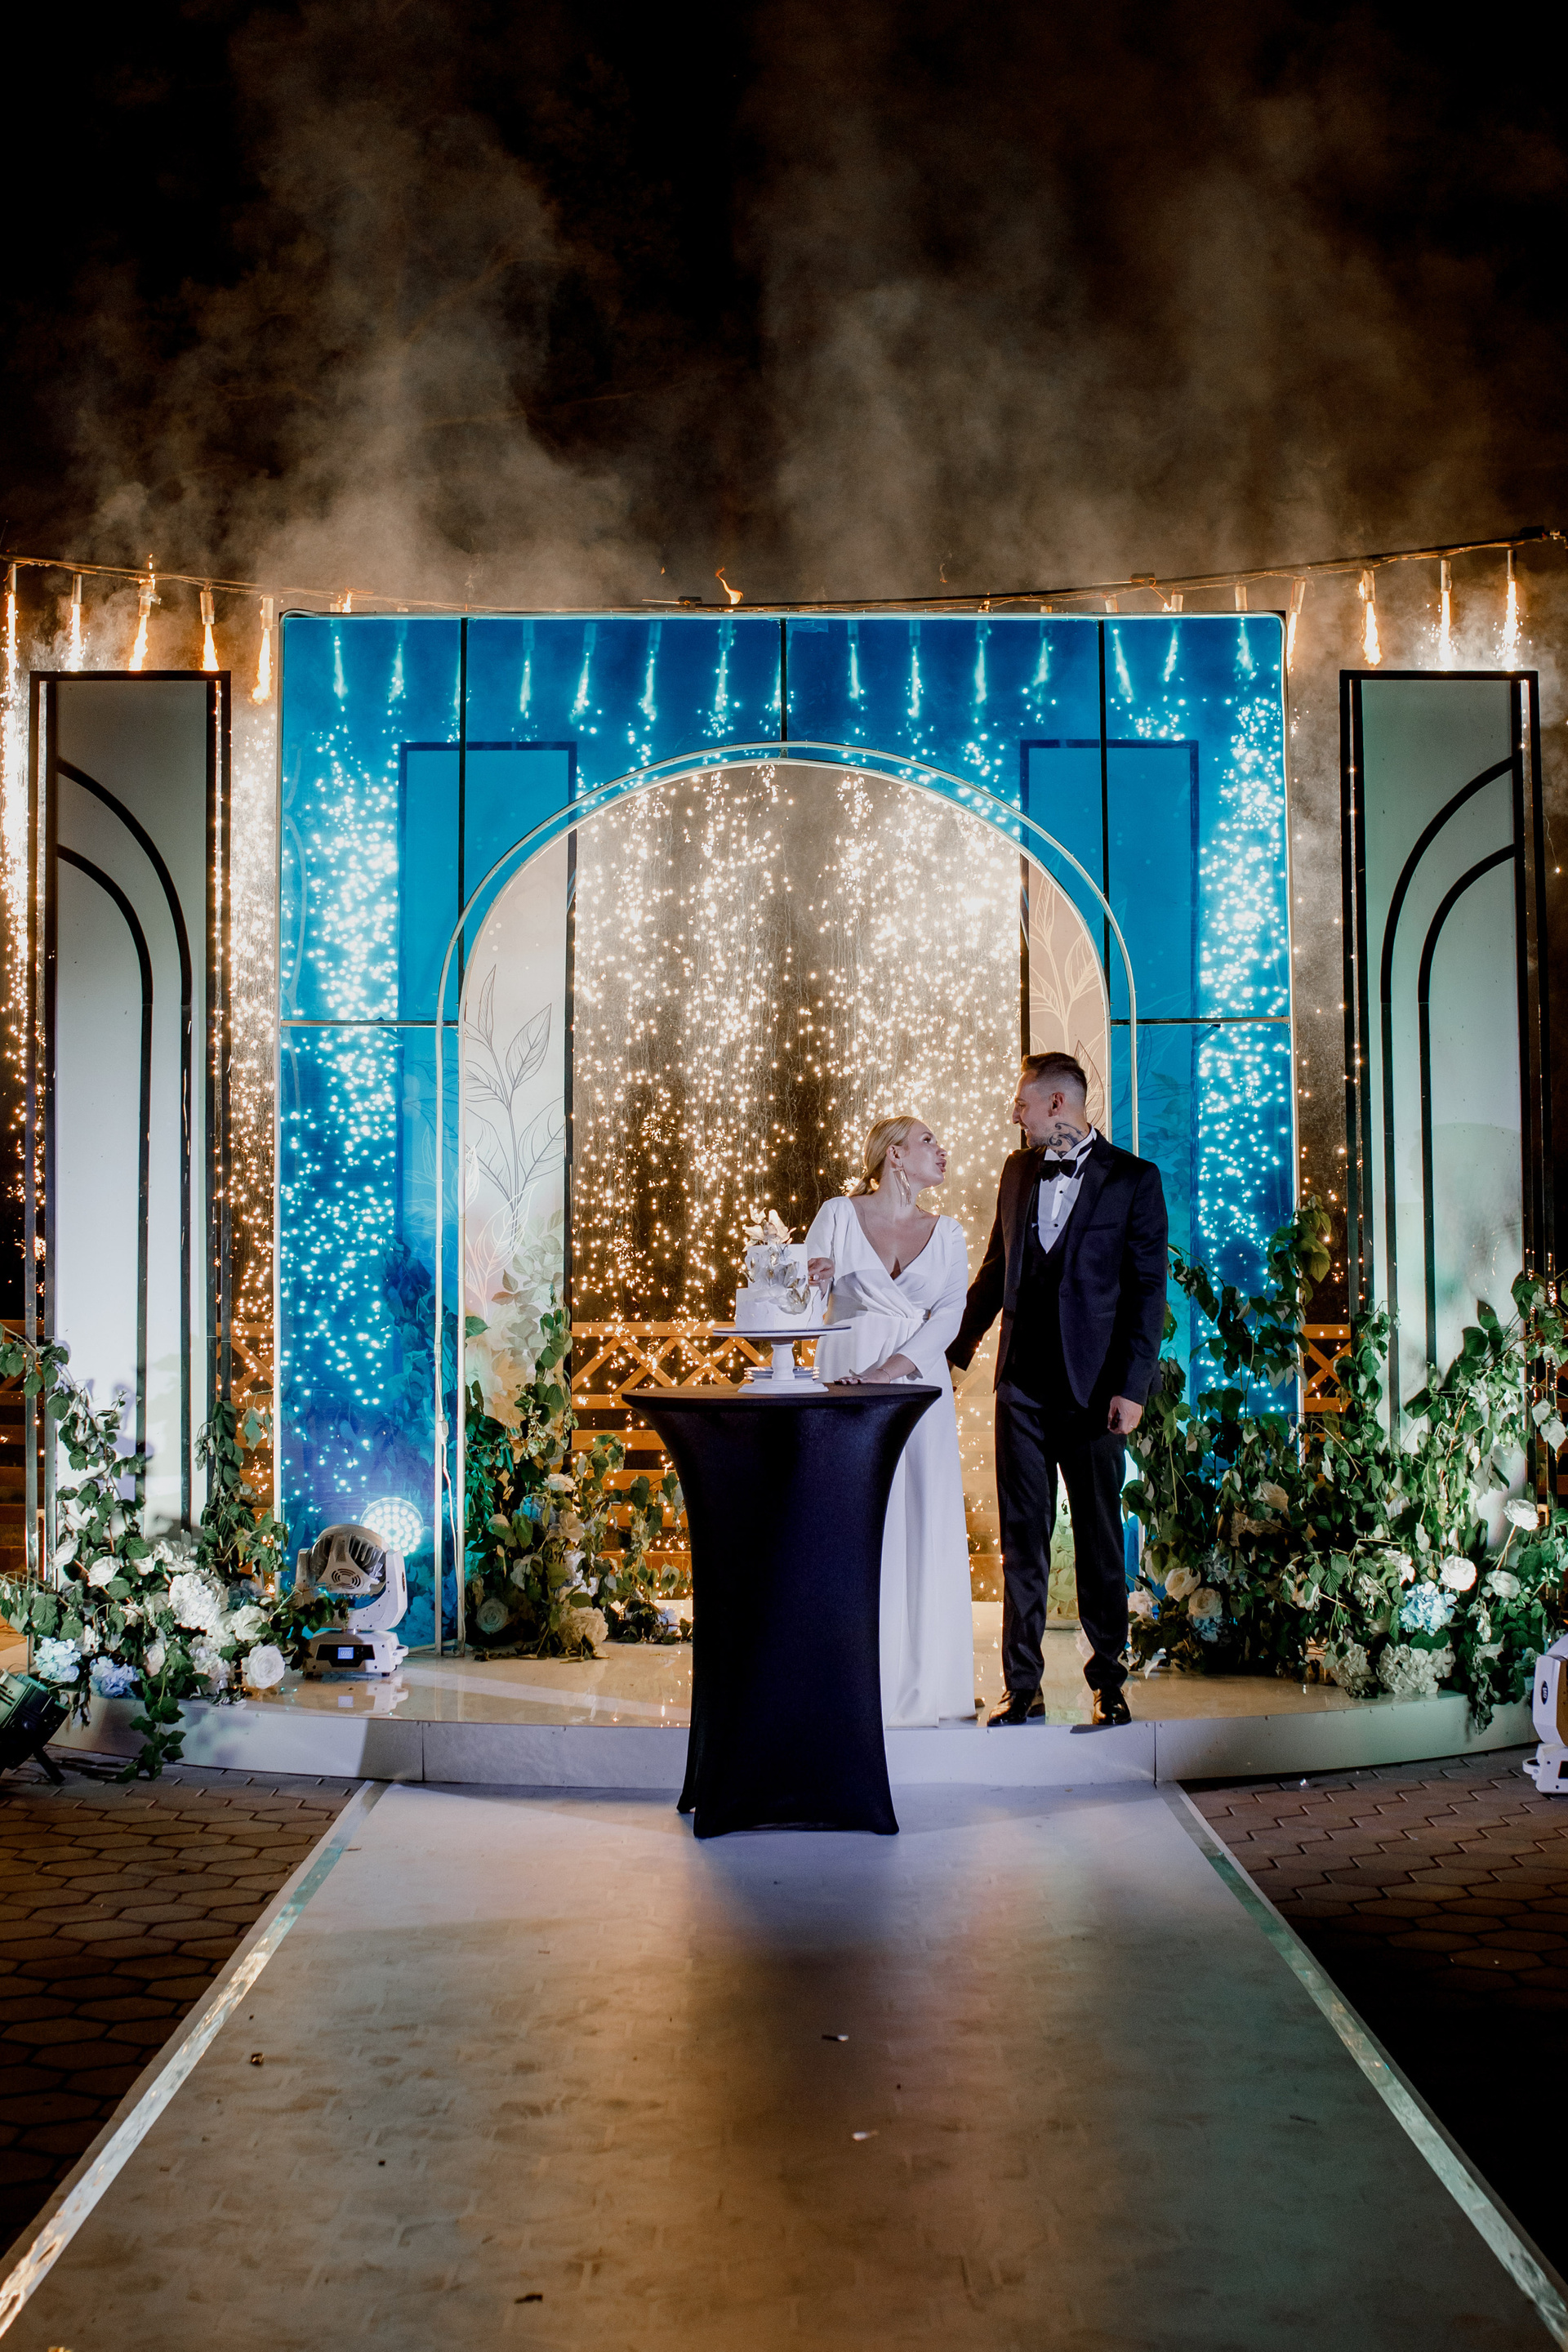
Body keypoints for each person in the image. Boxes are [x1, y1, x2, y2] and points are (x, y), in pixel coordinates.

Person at [947, 1052, 1168, 1730]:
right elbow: (994, 1272)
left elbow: (1147, 1293)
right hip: (1020, 1389)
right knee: (1023, 1540)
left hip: (1094, 1394)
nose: (1014, 1114)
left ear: (1056, 1104)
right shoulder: (1017, 1171)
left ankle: (1109, 1682)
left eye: (1022, 1102)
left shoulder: (1133, 1179)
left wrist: (1132, 1388)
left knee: (1100, 1539)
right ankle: (1023, 1687)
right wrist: (954, 1353)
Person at [805, 1117, 975, 1726]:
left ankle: (926, 1682)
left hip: (916, 1382)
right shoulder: (838, 1214)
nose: (942, 1149)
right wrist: (811, 1281)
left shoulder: (948, 1232)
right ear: (894, 1155)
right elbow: (802, 1305)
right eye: (929, 1140)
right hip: (846, 1370)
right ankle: (847, 1677)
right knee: (851, 1513)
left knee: (922, 1510)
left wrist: (891, 1370)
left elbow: (950, 1315)